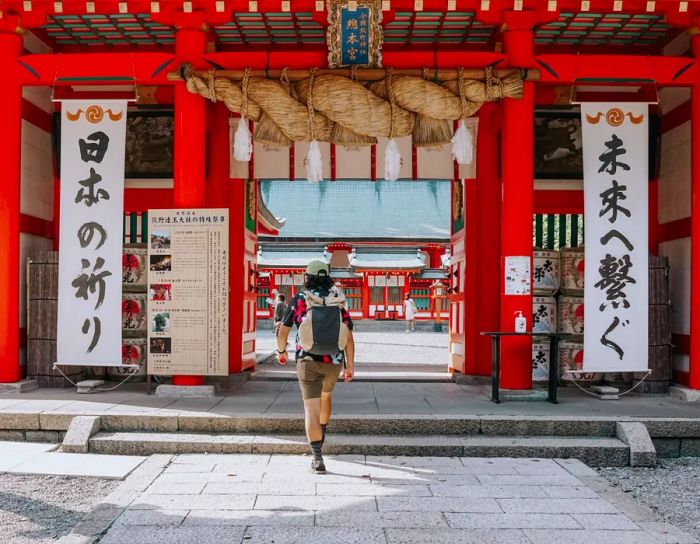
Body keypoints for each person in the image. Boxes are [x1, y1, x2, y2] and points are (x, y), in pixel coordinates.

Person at [276, 260, 355, 475]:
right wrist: (351, 366)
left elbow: (283, 332)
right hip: (334, 361)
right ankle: (322, 437)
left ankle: (317, 457)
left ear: (307, 277)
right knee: (326, 397)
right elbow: (348, 335)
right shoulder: (338, 298)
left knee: (311, 407)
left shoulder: (301, 298)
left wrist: (281, 352)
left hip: (307, 359)